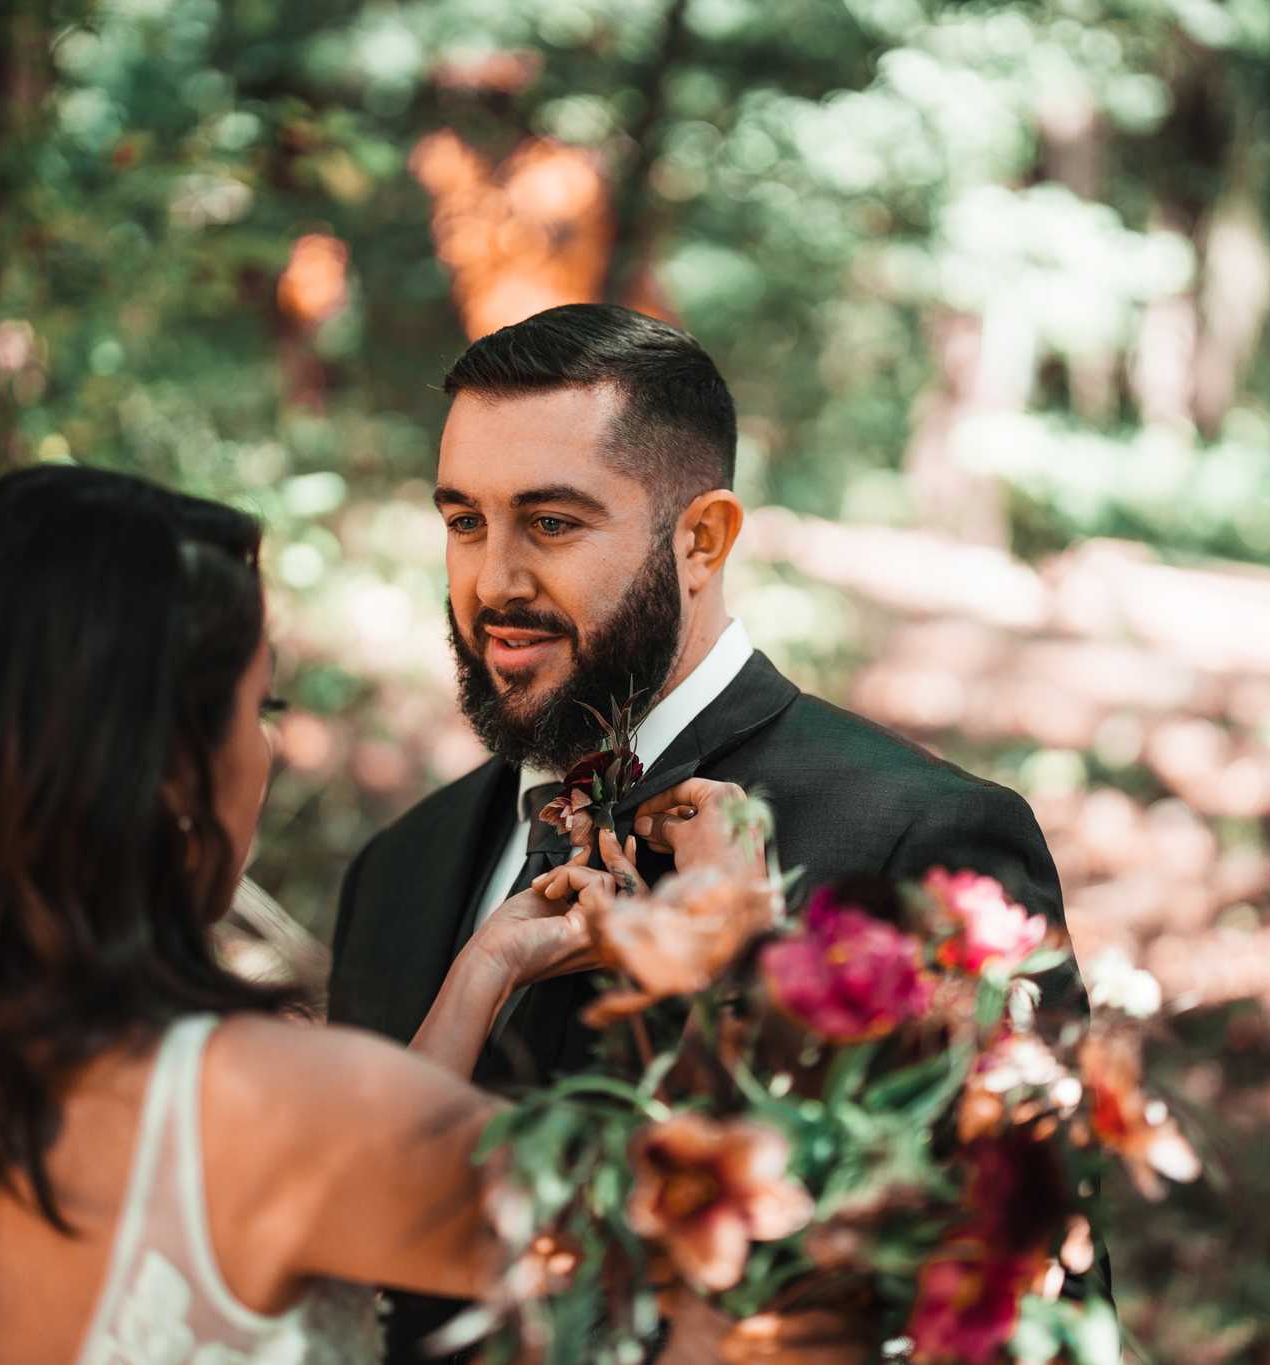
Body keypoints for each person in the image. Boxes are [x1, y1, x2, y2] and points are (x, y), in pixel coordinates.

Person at [0, 466, 647, 1364]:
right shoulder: (287, 1108)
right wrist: (724, 924)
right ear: (164, 772)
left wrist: (481, 969)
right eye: (260, 703)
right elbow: (709, 1255)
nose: (269, 744)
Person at [328, 303, 1095, 1362]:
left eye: (549, 523)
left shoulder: (921, 838)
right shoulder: (394, 874)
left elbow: (1021, 1303)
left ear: (702, 538)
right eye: (464, 521)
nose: (492, 581)